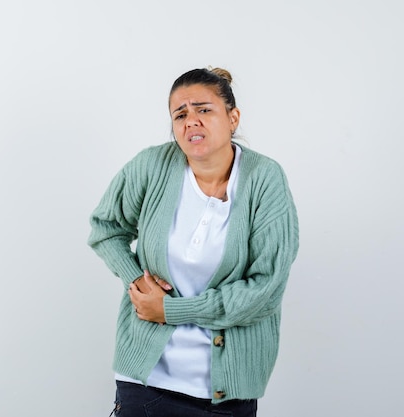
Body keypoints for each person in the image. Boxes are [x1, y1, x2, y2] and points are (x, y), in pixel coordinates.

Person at [88, 67, 299, 417]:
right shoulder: (152, 165)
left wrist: (171, 311)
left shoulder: (265, 179)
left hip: (226, 393)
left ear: (233, 118)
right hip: (145, 382)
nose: (191, 121)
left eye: (204, 110)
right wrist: (138, 281)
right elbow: (105, 227)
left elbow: (266, 289)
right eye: (180, 114)